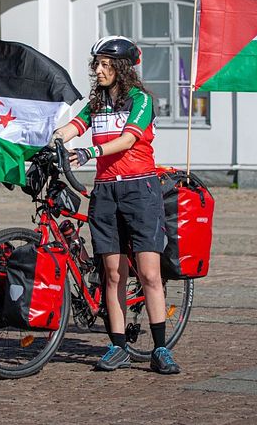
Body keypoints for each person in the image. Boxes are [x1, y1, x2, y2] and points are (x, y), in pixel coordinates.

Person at [51, 35, 181, 375]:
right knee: (112, 274)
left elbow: (127, 139)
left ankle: (160, 349)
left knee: (150, 274)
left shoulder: (140, 99)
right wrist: (51, 139)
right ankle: (117, 346)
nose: (99, 69)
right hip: (106, 193)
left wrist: (90, 152)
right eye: (97, 64)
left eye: (107, 64)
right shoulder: (96, 103)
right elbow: (73, 127)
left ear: (122, 69)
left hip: (140, 191)